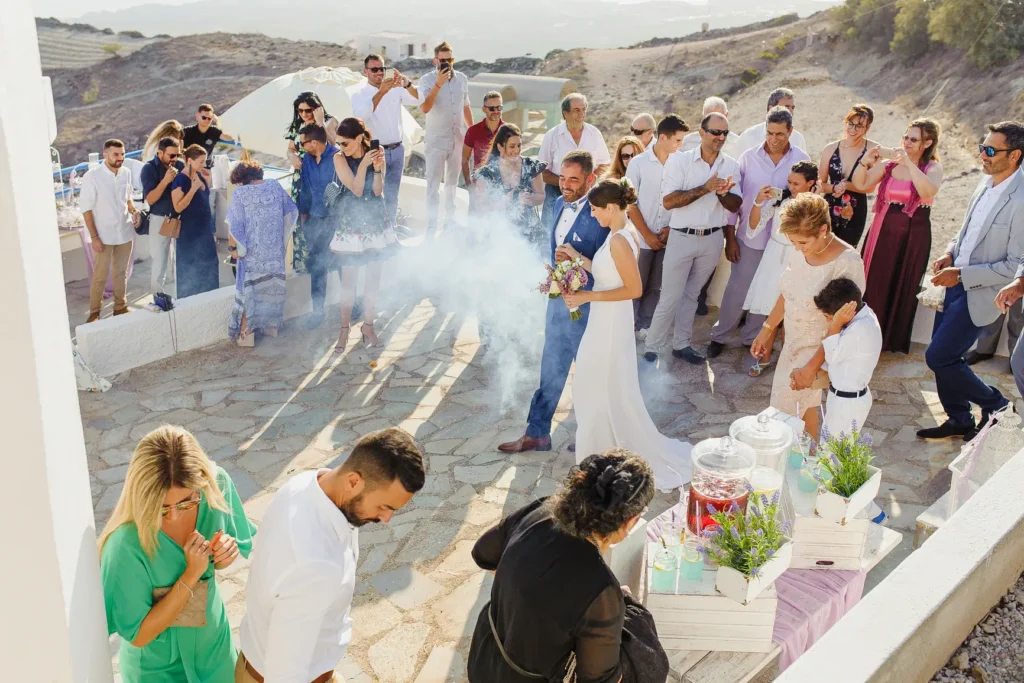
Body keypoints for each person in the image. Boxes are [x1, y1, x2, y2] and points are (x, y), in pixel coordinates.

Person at [239, 428, 425, 683]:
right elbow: (285, 673)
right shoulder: (316, 565)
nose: (386, 518)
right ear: (353, 481)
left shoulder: (306, 484)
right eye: (384, 506)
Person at [468, 450, 667, 683]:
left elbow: (483, 553)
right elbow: (599, 680)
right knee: (640, 646)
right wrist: (622, 607)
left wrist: (524, 590)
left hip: (484, 657)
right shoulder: (602, 590)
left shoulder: (541, 511)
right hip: (524, 678)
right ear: (629, 521)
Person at [98, 425, 256, 683]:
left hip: (214, 651)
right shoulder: (124, 544)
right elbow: (139, 635)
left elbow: (226, 554)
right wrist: (191, 574)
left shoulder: (216, 487)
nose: (174, 516)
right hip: (156, 670)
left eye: (187, 502)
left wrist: (224, 556)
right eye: (161, 508)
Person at [563, 179, 693, 489]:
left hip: (608, 324)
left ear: (610, 207)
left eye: (595, 210)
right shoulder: (618, 234)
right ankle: (600, 449)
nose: (593, 216)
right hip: (605, 320)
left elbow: (633, 289)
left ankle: (595, 455)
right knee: (599, 385)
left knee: (593, 385)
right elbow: (608, 275)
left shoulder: (620, 240)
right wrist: (575, 257)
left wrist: (585, 297)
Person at [917, 122, 1024, 441]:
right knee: (946, 358)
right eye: (982, 147)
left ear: (1015, 155)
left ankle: (999, 405)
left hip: (981, 293)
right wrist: (950, 253)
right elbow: (967, 231)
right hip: (952, 284)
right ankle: (959, 417)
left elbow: (1014, 265)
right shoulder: (985, 181)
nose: (983, 155)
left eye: (991, 150)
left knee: (938, 356)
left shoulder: (1021, 200)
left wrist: (960, 274)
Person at [498, 152, 610, 454]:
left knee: (586, 373)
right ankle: (537, 433)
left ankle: (591, 435)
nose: (566, 185)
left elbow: (606, 265)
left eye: (573, 179)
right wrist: (554, 272)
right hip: (558, 302)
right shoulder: (559, 203)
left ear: (590, 179)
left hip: (587, 306)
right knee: (550, 368)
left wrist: (575, 262)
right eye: (562, 178)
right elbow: (556, 249)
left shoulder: (601, 213)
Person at [750, 194, 866, 441]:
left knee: (785, 410)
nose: (797, 247)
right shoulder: (801, 248)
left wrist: (812, 367)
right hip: (792, 342)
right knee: (804, 409)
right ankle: (810, 459)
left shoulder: (847, 262)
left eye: (802, 242)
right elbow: (788, 292)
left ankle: (792, 462)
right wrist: (767, 329)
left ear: (823, 229)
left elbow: (845, 324)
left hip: (819, 348)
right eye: (793, 241)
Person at [708, 107, 808, 366]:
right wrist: (730, 237)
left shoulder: (800, 158)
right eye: (770, 132)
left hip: (783, 243)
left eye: (780, 134)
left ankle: (752, 338)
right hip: (749, 237)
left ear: (791, 132)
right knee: (737, 289)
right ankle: (719, 336)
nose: (774, 139)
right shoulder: (748, 158)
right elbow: (735, 199)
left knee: (768, 293)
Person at [643, 113, 742, 365]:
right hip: (681, 237)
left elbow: (735, 205)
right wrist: (706, 188)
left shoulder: (731, 165)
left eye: (724, 133)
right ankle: (652, 347)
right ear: (702, 132)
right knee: (670, 295)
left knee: (692, 295)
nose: (720, 137)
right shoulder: (680, 161)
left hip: (711, 239)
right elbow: (669, 201)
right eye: (715, 132)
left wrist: (721, 193)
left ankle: (681, 345)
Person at [856, 119, 944, 353]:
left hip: (914, 235)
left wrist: (910, 164)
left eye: (913, 139)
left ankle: (890, 339)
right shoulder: (888, 165)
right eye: (905, 137)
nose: (906, 143)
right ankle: (864, 336)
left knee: (902, 281)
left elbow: (927, 191)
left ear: (928, 143)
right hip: (882, 230)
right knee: (875, 279)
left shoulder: (932, 168)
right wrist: (865, 162)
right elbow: (861, 183)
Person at [741, 160, 819, 377]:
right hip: (774, 258)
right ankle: (764, 360)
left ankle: (788, 362)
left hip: (798, 260)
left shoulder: (816, 205)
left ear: (810, 183)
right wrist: (758, 202)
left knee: (793, 317)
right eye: (789, 182)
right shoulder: (779, 201)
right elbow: (754, 228)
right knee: (770, 312)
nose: (791, 187)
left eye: (796, 183)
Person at [331, 117, 396, 352]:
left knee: (373, 281)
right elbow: (357, 189)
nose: (341, 147)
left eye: (345, 143)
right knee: (349, 283)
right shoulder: (339, 158)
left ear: (359, 138)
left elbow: (377, 190)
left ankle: (368, 326)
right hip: (352, 223)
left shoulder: (376, 152)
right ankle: (344, 330)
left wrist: (377, 168)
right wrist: (362, 166)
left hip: (376, 220)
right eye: (338, 142)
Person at [625, 114, 689, 335]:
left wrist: (670, 230)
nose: (681, 145)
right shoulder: (638, 163)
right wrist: (648, 235)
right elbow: (630, 204)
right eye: (678, 140)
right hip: (641, 238)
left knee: (656, 287)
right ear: (663, 137)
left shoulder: (682, 162)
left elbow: (683, 200)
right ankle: (627, 328)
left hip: (668, 238)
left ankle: (645, 328)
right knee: (636, 286)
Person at [226, 159, 298, 346]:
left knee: (247, 294)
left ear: (241, 180)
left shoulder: (240, 193)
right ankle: (271, 330)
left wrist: (233, 249)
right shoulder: (274, 186)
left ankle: (246, 335)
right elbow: (291, 211)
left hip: (252, 256)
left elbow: (235, 226)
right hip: (274, 254)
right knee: (272, 291)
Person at [685, 97, 742, 317]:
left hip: (722, 211)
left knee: (711, 258)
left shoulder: (737, 143)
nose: (718, 133)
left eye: (722, 124)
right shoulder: (688, 142)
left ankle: (700, 297)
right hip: (690, 210)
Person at [351, 54, 418, 224]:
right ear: (365, 71)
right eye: (374, 69)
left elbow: (419, 100)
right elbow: (361, 116)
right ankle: (375, 232)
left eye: (382, 68)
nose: (379, 73)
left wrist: (406, 83)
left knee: (393, 195)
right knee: (374, 195)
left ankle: (391, 231)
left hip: (397, 149)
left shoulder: (395, 89)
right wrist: (381, 92)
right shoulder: (359, 94)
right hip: (375, 152)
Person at [80, 138, 141, 322]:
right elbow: (86, 208)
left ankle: (120, 307)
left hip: (124, 231)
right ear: (105, 155)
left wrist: (134, 210)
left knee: (120, 273)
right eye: (116, 154)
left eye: (122, 154)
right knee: (100, 276)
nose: (120, 157)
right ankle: (94, 313)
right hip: (103, 235)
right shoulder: (92, 176)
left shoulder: (126, 173)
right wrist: (95, 237)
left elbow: (128, 198)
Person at [814, 278, 882, 438]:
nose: (827, 320)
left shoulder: (859, 330)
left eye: (828, 316)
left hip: (846, 403)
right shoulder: (865, 315)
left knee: (830, 455)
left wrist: (836, 324)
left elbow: (832, 357)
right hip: (846, 399)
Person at [418, 41, 473, 235]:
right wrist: (438, 85)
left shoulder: (462, 79)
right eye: (442, 60)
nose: (446, 63)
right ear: (435, 61)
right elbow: (425, 107)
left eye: (449, 59)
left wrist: (471, 132)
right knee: (433, 185)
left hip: (457, 139)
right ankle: (431, 226)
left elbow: (465, 106)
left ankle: (450, 222)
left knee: (451, 183)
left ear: (453, 59)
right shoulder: (426, 80)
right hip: (436, 141)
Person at [538, 93, 612, 229]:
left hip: (588, 194)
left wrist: (588, 181)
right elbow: (543, 172)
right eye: (576, 110)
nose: (582, 114)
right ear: (565, 114)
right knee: (548, 235)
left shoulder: (594, 134)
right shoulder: (552, 136)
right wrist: (568, 183)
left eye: (583, 109)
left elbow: (605, 164)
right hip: (556, 193)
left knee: (583, 236)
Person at [818, 105, 886, 248]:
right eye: (850, 124)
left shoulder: (873, 150)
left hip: (855, 210)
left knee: (845, 252)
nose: (853, 129)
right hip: (829, 206)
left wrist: (847, 186)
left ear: (867, 128)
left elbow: (870, 187)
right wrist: (835, 187)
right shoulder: (830, 149)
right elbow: (821, 184)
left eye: (859, 126)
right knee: (821, 248)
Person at [295, 123, 340, 329]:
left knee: (342, 262)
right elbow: (304, 187)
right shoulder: (307, 159)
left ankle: (353, 304)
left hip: (336, 220)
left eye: (303, 143)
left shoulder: (338, 157)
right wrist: (303, 215)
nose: (301, 146)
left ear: (314, 142)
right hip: (313, 219)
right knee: (317, 265)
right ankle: (318, 311)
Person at [472, 123, 547, 246]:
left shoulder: (531, 166)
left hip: (530, 231)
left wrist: (528, 198)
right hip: (499, 231)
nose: (517, 150)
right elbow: (481, 207)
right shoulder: (486, 174)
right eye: (512, 146)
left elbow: (541, 196)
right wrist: (504, 201)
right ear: (500, 147)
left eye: (519, 145)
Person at [171, 145, 219, 299]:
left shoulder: (199, 175)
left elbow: (203, 199)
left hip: (204, 232)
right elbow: (178, 207)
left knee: (209, 266)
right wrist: (192, 189)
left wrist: (207, 181)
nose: (203, 165)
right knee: (191, 271)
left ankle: (209, 300)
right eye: (200, 161)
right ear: (189, 160)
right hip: (189, 234)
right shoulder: (180, 180)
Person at [141, 137, 184, 294]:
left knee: (180, 259)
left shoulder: (180, 165)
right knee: (159, 261)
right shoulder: (149, 169)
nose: (175, 159)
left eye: (177, 155)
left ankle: (179, 294)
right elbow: (150, 198)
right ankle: (158, 297)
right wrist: (165, 181)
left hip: (179, 218)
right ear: (160, 153)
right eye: (171, 155)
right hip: (160, 218)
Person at [285, 92, 339, 207]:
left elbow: (334, 145)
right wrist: (292, 156)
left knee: (322, 210)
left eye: (308, 110)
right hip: (301, 173)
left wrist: (321, 123)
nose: (304, 114)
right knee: (301, 210)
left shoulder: (330, 120)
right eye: (300, 110)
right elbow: (290, 149)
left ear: (316, 109)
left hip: (322, 172)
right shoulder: (298, 124)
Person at [736, 87, 807, 155]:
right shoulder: (748, 137)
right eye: (786, 107)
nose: (790, 111)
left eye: (792, 107)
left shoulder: (798, 138)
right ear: (771, 108)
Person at [463, 90, 505, 190]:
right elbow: (465, 159)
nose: (496, 111)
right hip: (479, 188)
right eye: (491, 108)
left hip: (502, 189)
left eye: (499, 107)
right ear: (484, 109)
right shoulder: (473, 131)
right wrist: (468, 184)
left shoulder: (508, 131)